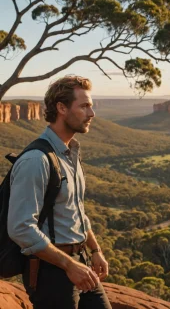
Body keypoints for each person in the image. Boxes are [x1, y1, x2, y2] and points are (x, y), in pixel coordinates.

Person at [7, 75, 112, 309]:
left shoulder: (70, 154)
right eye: (84, 106)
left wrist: (95, 250)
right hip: (50, 271)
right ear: (61, 108)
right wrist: (68, 265)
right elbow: (20, 227)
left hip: (80, 260)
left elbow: (77, 211)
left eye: (91, 106)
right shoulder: (37, 160)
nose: (92, 113)